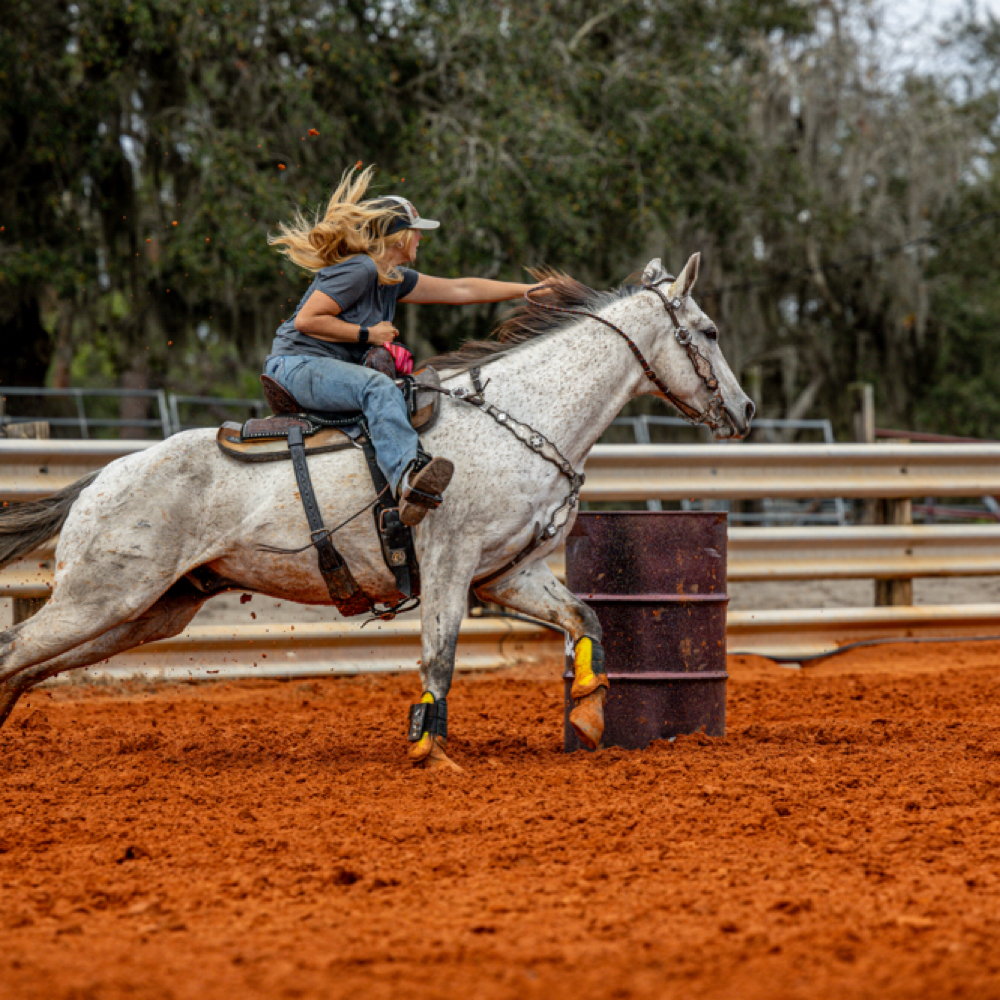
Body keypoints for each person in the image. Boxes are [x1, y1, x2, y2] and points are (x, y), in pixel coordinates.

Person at [265, 166, 543, 526]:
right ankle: (409, 482)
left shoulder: (392, 277)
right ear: (398, 237)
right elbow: (307, 321)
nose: (419, 239)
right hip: (295, 366)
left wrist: (527, 291)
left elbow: (461, 290)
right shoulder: (360, 269)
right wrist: (369, 336)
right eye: (416, 232)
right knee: (377, 387)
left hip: (316, 368)